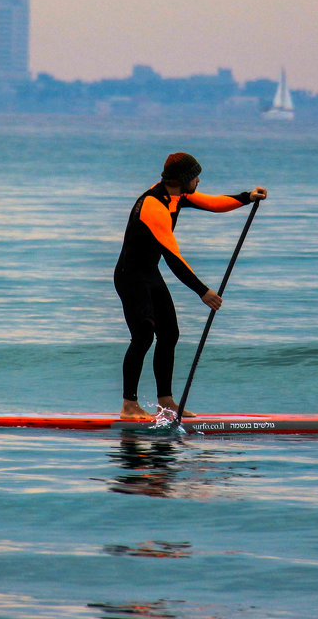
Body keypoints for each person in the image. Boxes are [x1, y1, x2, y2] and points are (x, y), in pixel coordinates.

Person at [114, 152, 267, 420]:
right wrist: (203, 291)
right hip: (131, 277)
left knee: (169, 334)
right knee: (143, 337)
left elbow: (212, 202)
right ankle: (129, 406)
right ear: (182, 179)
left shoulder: (176, 194)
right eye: (195, 176)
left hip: (149, 274)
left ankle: (166, 403)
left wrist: (247, 197)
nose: (198, 180)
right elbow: (174, 258)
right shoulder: (154, 206)